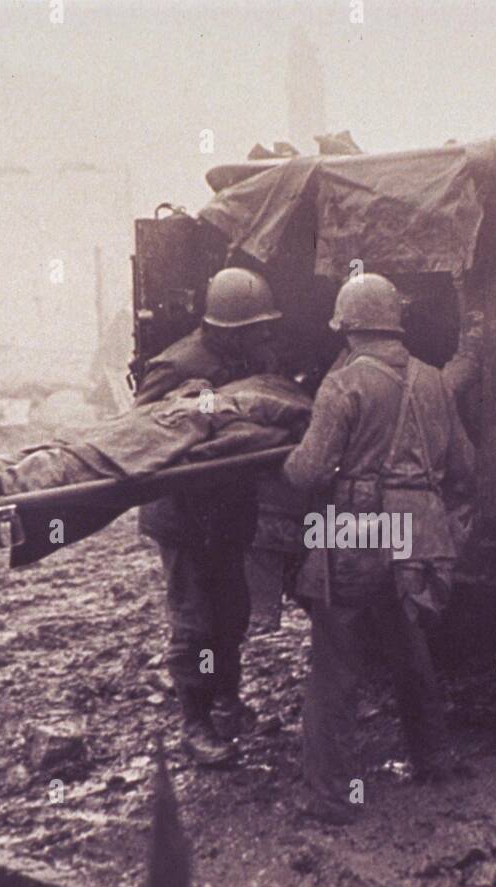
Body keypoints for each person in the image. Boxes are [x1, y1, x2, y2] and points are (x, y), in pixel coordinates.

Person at [283, 272, 479, 825]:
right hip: (418, 534)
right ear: (395, 323)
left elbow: (309, 471)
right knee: (409, 646)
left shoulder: (342, 384)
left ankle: (331, 797)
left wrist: (282, 463)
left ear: (347, 328)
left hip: (356, 529)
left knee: (335, 663)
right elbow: (465, 467)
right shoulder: (434, 382)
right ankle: (434, 760)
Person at [134, 268, 285, 767]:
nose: (265, 336)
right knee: (196, 620)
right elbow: (141, 434)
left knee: (231, 612)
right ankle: (195, 724)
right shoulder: (178, 365)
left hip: (226, 510)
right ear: (229, 327)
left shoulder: (245, 358)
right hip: (184, 513)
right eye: (257, 327)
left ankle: (227, 701)